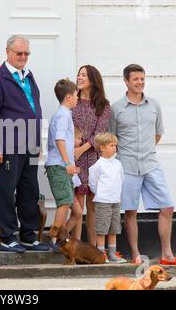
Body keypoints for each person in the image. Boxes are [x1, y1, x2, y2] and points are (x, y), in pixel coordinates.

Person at [109, 64, 176, 265]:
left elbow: (158, 133)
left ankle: (167, 255)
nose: (140, 82)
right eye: (135, 79)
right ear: (126, 81)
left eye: (142, 79)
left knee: (167, 206)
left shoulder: (154, 105)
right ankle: (135, 255)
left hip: (150, 163)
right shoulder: (116, 108)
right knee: (130, 210)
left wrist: (146, 150)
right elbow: (112, 138)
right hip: (126, 165)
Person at [0, 35, 49, 253]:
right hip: (7, 146)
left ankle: (28, 236)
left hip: (29, 146)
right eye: (19, 53)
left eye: (26, 53)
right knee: (6, 192)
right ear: (8, 52)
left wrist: (38, 142)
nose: (23, 57)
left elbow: (34, 108)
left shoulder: (29, 76)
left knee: (29, 191)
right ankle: (7, 237)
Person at [72, 65, 111, 246]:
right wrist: (74, 143)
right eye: (78, 75)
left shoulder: (103, 105)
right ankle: (77, 244)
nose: (79, 78)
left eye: (84, 75)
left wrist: (83, 147)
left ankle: (95, 247)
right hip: (74, 156)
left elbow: (100, 133)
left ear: (93, 80)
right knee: (78, 204)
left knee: (93, 204)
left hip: (94, 159)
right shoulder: (73, 101)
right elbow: (68, 125)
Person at [46, 79, 83, 250]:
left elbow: (65, 140)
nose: (78, 98)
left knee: (77, 211)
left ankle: (62, 239)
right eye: (76, 95)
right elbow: (59, 138)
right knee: (65, 203)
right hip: (60, 166)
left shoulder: (65, 114)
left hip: (65, 167)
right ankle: (54, 240)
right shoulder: (63, 114)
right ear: (69, 97)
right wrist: (67, 162)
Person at [88, 133, 126, 263]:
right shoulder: (97, 166)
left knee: (114, 228)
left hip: (115, 200)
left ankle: (112, 253)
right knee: (102, 228)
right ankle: (101, 254)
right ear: (102, 147)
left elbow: (121, 179)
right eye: (112, 145)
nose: (115, 147)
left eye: (115, 145)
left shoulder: (118, 164)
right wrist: (102, 194)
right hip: (103, 201)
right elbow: (93, 184)